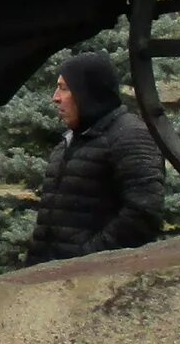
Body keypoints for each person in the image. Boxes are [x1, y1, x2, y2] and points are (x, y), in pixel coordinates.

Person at [24, 50, 166, 264]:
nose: (55, 97)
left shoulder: (129, 136)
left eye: (64, 88)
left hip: (91, 280)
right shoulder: (73, 138)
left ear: (86, 92)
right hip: (50, 281)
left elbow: (143, 213)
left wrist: (87, 258)